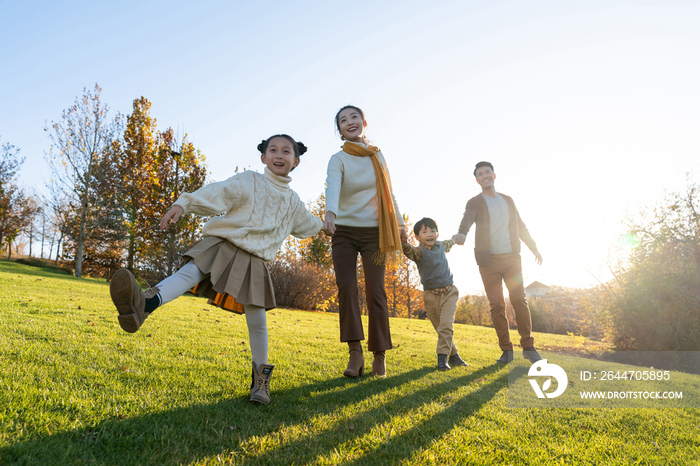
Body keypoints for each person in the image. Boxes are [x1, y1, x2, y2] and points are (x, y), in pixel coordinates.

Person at [109, 135, 322, 405]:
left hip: (255, 260)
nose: (279, 155)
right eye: (273, 150)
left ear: (296, 161)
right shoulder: (249, 181)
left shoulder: (294, 203)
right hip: (224, 243)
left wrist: (329, 224)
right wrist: (182, 204)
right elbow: (218, 192)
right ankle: (144, 303)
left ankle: (261, 382)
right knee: (189, 273)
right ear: (263, 157)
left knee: (257, 320)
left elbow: (309, 225)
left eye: (286, 151)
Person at [322, 105, 405, 378]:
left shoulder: (377, 156)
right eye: (343, 121)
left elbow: (389, 191)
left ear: (364, 122)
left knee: (376, 292)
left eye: (353, 117)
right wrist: (330, 213)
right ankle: (355, 353)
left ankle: (379, 355)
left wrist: (401, 225)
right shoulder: (338, 159)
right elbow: (332, 186)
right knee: (347, 287)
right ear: (340, 130)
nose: (349, 123)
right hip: (344, 232)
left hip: (375, 234)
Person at [453, 161, 543, 364]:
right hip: (488, 262)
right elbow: (467, 218)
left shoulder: (508, 200)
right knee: (497, 306)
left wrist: (533, 247)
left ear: (494, 175)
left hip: (512, 259)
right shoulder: (475, 202)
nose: (485, 176)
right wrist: (462, 232)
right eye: (481, 174)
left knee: (519, 299)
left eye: (488, 172)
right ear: (477, 180)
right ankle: (507, 351)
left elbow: (520, 225)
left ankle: (528, 346)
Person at [402, 217, 468, 370]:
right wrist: (403, 242)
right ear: (417, 237)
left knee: (446, 325)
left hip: (449, 292)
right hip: (430, 296)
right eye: (424, 231)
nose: (429, 234)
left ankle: (442, 359)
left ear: (437, 234)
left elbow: (451, 241)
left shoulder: (441, 246)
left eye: (432, 230)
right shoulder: (419, 252)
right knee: (440, 328)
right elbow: (409, 251)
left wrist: (456, 238)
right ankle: (455, 356)